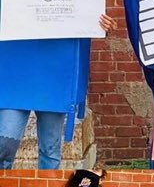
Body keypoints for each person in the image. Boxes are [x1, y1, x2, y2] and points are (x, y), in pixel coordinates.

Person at [0, 15, 117, 169]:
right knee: (4, 147)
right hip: (17, 71)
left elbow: (86, 11)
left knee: (50, 150)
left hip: (55, 71)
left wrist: (101, 24)